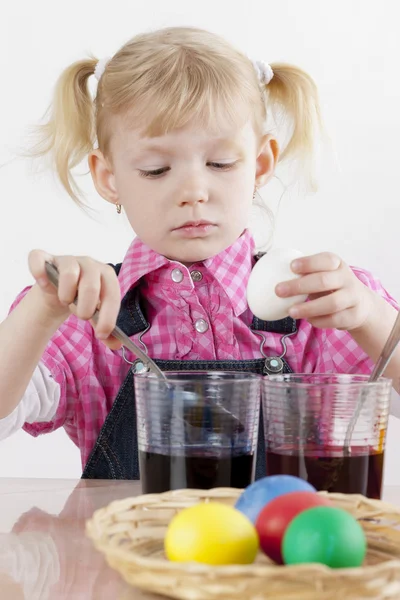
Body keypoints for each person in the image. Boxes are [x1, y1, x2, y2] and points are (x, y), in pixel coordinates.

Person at [0, 27, 398, 480]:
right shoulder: (86, 317)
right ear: (109, 177)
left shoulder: (321, 305)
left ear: (261, 164)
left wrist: (370, 316)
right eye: (156, 169)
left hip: (286, 553)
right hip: (128, 550)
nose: (194, 191)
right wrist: (43, 308)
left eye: (220, 163)